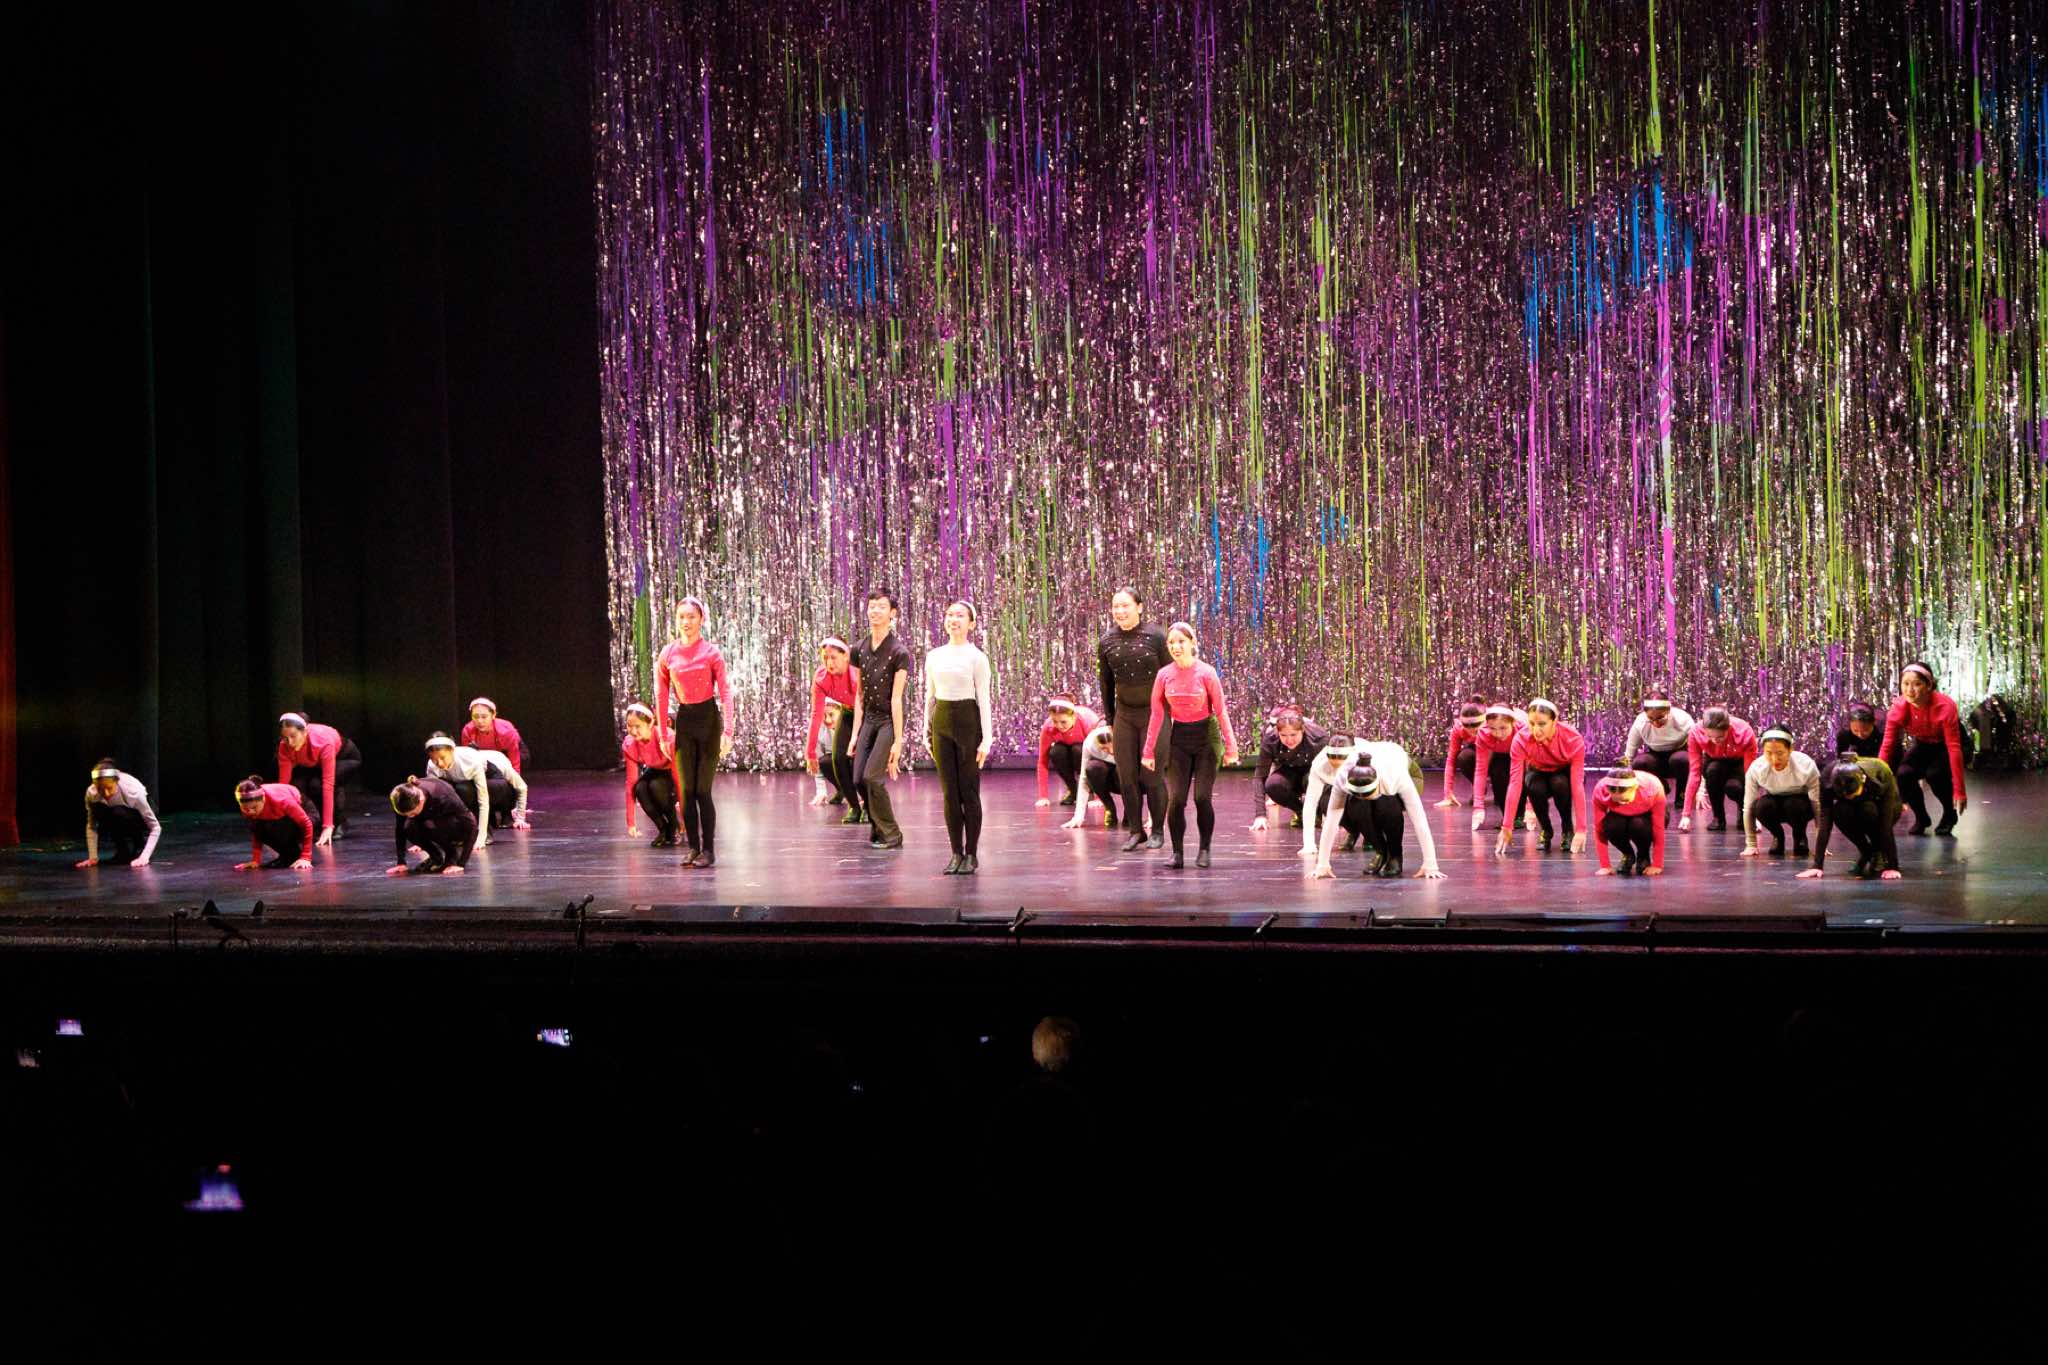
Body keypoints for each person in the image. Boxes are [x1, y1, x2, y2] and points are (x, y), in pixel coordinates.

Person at [1141, 621, 1240, 869]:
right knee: (1176, 800)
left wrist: (1231, 748)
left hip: (1206, 737)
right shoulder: (1164, 675)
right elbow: (1157, 714)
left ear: (1192, 642)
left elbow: (1221, 711)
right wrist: (1148, 751)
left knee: (1202, 797)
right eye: (1171, 643)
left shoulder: (1206, 673)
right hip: (1180, 739)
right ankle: (1177, 853)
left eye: (1181, 641)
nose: (1176, 647)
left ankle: (1205, 849)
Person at [654, 596, 733, 868]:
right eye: (681, 617)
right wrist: (662, 735)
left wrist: (728, 731)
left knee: (702, 790)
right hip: (685, 721)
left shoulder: (711, 653)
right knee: (686, 791)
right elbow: (661, 695)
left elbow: (725, 692)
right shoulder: (668, 654)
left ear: (701, 620)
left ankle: (708, 850)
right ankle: (693, 848)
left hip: (708, 721)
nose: (686, 622)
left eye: (691, 617)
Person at [1097, 588, 1173, 851]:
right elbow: (1105, 683)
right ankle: (1135, 831)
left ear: (1139, 607)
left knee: (1151, 776)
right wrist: (1110, 718)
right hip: (1124, 715)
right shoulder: (1106, 640)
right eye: (1115, 606)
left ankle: (1158, 831)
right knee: (1126, 775)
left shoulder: (1157, 636)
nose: (1120, 611)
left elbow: (1170, 676)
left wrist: (1171, 713)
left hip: (1155, 715)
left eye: (1125, 605)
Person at [1307, 740, 1443, 880]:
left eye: (1368, 794)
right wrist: (1322, 865)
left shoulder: (1395, 777)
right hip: (1375, 779)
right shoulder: (1342, 778)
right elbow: (1331, 820)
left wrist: (1430, 864)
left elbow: (1419, 820)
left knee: (1387, 805)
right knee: (1358, 807)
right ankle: (1381, 851)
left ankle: (1395, 854)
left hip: (1408, 773)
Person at [924, 600, 994, 875]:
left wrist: (986, 739)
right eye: (950, 614)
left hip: (968, 722)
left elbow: (984, 699)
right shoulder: (934, 656)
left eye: (960, 615)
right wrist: (926, 731)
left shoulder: (977, 657)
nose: (954, 619)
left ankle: (971, 853)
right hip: (941, 722)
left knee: (969, 791)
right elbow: (929, 696)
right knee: (949, 793)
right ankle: (955, 852)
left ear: (971, 623)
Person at [849, 591, 911, 850]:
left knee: (872, 777)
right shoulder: (858, 649)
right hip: (869, 720)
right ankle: (878, 827)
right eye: (872, 606)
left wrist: (898, 740)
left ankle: (892, 833)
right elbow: (859, 696)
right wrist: (854, 734)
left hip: (887, 721)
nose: (875, 611)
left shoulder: (899, 652)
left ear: (892, 613)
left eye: (881, 607)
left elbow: (897, 699)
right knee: (857, 779)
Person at [1878, 661, 1968, 836]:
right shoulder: (1899, 707)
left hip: (1951, 744)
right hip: (1925, 744)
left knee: (1935, 775)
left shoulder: (1944, 706)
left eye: (1917, 684)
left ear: (1929, 686)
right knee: (1904, 774)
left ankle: (1949, 814)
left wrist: (1960, 791)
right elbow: (1887, 745)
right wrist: (1877, 778)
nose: (1910, 690)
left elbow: (1954, 748)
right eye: (1905, 684)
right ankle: (1921, 817)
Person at [1496, 699, 1588, 855]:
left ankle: (1567, 829)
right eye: (1532, 723)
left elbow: (1577, 784)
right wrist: (1507, 826)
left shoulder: (1572, 738)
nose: (1536, 730)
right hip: (1538, 772)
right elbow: (1515, 783)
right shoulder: (1521, 739)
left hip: (1563, 774)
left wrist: (1581, 829)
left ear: (1554, 721)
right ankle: (1546, 829)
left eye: (1542, 724)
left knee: (1559, 783)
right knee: (1532, 784)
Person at [1798, 755, 1904, 880]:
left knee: (1868, 809)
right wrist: (1817, 865)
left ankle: (1878, 849)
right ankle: (1867, 851)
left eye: (1853, 794)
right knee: (1840, 810)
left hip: (1887, 805)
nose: (1849, 797)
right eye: (1843, 795)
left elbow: (1885, 822)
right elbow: (1825, 821)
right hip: (1856, 806)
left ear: (1863, 780)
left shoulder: (1880, 772)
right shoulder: (1827, 778)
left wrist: (1893, 866)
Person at [423, 733, 529, 845]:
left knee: (464, 789)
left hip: (501, 790)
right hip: (469, 787)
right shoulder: (432, 766)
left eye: (443, 758)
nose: (439, 763)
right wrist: (424, 840)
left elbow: (521, 787)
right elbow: (431, 801)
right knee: (449, 791)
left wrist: (520, 818)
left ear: (452, 751)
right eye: (434, 760)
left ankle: (485, 831)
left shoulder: (472, 761)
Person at [276, 712, 362, 846]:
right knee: (297, 786)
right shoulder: (284, 746)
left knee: (318, 785)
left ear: (304, 732)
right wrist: (277, 823)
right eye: (285, 738)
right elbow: (283, 787)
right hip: (315, 762)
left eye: (293, 736)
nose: (290, 742)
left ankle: (337, 822)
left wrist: (328, 826)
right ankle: (315, 823)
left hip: (345, 757)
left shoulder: (323, 742)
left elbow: (328, 784)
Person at [805, 637, 863, 821]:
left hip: (867, 714)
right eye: (825, 658)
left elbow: (863, 706)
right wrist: (810, 753)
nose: (829, 663)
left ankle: (869, 806)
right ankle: (854, 807)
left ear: (846, 656)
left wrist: (855, 737)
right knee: (838, 759)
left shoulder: (856, 673)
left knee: (861, 761)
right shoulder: (821, 677)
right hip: (848, 712)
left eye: (833, 657)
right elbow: (816, 714)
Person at [1740, 727, 1820, 859]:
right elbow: (1748, 807)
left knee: (1793, 804)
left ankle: (1799, 835)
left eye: (1780, 753)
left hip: (1800, 807)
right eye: (1768, 753)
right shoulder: (1756, 768)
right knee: (1761, 806)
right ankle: (1777, 836)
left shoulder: (1806, 765)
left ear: (1790, 749)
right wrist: (1751, 844)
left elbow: (1817, 804)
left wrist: (1821, 844)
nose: (1774, 759)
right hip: (1775, 805)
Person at [1252, 704, 1332, 832]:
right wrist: (1260, 815)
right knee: (1273, 785)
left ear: (1302, 730)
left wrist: (1331, 816)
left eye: (1293, 735)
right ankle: (1301, 811)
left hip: (1314, 773)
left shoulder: (1318, 738)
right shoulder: (1271, 739)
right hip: (1289, 771)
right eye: (1283, 735)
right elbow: (1259, 777)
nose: (1289, 740)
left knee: (1312, 779)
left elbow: (1330, 775)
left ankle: (1318, 811)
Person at [1621, 689, 1694, 822]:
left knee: (1681, 759)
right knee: (1640, 763)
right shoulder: (1641, 722)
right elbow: (1629, 755)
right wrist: (1624, 786)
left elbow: (1698, 754)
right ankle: (1659, 788)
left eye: (1660, 718)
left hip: (1679, 759)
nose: (1656, 723)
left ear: (1668, 710)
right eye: (1651, 719)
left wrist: (1700, 790)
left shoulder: (1683, 719)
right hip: (1656, 759)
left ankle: (1682, 796)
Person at [1679, 708, 1758, 832]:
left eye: (1720, 737)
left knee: (1734, 787)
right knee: (1713, 771)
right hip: (1714, 761)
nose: (1715, 741)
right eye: (1710, 736)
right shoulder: (1695, 732)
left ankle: (1744, 811)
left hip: (1738, 763)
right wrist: (1686, 815)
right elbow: (1694, 773)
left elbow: (1751, 775)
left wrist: (1755, 815)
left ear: (1728, 729)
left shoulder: (1744, 732)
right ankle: (1718, 817)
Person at [76, 759, 161, 869]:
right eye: (100, 789)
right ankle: (123, 851)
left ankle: (139, 844)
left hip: (141, 814)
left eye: (109, 788)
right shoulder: (91, 793)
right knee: (100, 809)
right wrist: (93, 857)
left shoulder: (132, 792)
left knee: (118, 811)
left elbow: (155, 827)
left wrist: (144, 857)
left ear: (116, 781)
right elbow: (92, 825)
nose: (106, 794)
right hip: (120, 816)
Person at [384, 776, 475, 877]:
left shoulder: (443, 795)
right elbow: (400, 828)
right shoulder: (401, 798)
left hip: (452, 824)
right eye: (406, 814)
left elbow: (472, 826)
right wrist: (401, 862)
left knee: (434, 824)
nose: (410, 816)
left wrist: (461, 864)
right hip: (429, 817)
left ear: (421, 800)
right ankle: (435, 856)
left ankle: (451, 854)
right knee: (409, 827)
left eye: (413, 813)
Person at [1465, 703, 1535, 833]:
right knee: (1497, 770)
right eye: (1493, 728)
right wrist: (1478, 808)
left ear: (1513, 723)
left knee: (1521, 775)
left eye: (1503, 728)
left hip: (1523, 757)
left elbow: (1531, 771)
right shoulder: (1484, 734)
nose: (1498, 733)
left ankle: (1520, 813)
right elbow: (1480, 771)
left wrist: (1530, 807)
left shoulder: (1524, 732)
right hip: (1501, 754)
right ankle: (1509, 814)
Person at [1592, 762, 1667, 877]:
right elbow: (1598, 829)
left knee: (1637, 824)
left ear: (1635, 788)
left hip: (1645, 818)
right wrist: (1605, 865)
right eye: (1616, 801)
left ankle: (1643, 855)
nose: (1621, 803)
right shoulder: (1600, 790)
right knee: (1611, 826)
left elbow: (1658, 828)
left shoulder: (1652, 788)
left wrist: (1658, 864)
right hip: (1620, 817)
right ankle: (1628, 854)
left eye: (1624, 800)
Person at [621, 703, 681, 847]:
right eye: (629, 726)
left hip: (676, 772)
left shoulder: (667, 738)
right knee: (640, 788)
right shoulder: (630, 744)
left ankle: (675, 827)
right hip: (656, 770)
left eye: (638, 726)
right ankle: (663, 829)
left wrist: (685, 813)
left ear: (650, 723)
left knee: (655, 786)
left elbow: (679, 777)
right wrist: (631, 823)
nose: (633, 731)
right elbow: (631, 783)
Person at [1035, 694, 1102, 810]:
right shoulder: (1048, 727)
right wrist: (1043, 797)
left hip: (1088, 753)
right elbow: (1042, 762)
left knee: (1078, 750)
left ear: (1073, 717)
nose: (1059, 726)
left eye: (1063, 722)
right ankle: (1074, 790)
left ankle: (1091, 788)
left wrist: (1099, 798)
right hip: (1067, 750)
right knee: (1056, 752)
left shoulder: (1086, 722)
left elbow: (1099, 757)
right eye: (1055, 721)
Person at [233, 776, 314, 871]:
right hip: (282, 818)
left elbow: (306, 823)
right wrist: (256, 860)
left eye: (254, 808)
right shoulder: (247, 806)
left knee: (278, 830)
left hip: (307, 811)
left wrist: (306, 857)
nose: (250, 811)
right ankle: (289, 856)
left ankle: (294, 855)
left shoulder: (282, 800)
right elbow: (257, 831)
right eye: (245, 809)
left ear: (263, 799)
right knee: (260, 827)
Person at [1061, 723, 1121, 830]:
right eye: (1104, 748)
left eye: (1113, 746)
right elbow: (1083, 778)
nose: (1111, 751)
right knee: (1092, 768)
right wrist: (1078, 816)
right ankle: (1109, 807)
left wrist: (1151, 816)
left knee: (1123, 770)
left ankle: (1130, 811)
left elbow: (1148, 775)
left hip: (1130, 779)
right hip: (1109, 778)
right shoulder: (1089, 744)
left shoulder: (1126, 738)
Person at [1437, 695, 1488, 807]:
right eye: (1467, 726)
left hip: (1497, 754)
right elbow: (1451, 760)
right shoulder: (1459, 728)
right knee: (1464, 757)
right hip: (1477, 751)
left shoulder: (1493, 723)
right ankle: (1480, 786)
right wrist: (1448, 794)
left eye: (1475, 726)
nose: (1471, 730)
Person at [459, 698, 525, 773]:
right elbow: (468, 758)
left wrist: (515, 776)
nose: (480, 721)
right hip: (486, 755)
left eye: (484, 717)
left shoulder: (506, 732)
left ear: (493, 715)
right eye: (475, 716)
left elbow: (514, 756)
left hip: (511, 751)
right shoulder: (467, 731)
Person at [809, 701, 844, 806]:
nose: (827, 720)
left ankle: (866, 795)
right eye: (823, 716)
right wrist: (821, 791)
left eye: (831, 714)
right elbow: (817, 762)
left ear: (841, 712)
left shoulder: (852, 726)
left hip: (854, 762)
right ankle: (843, 790)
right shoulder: (820, 730)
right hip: (840, 761)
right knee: (825, 762)